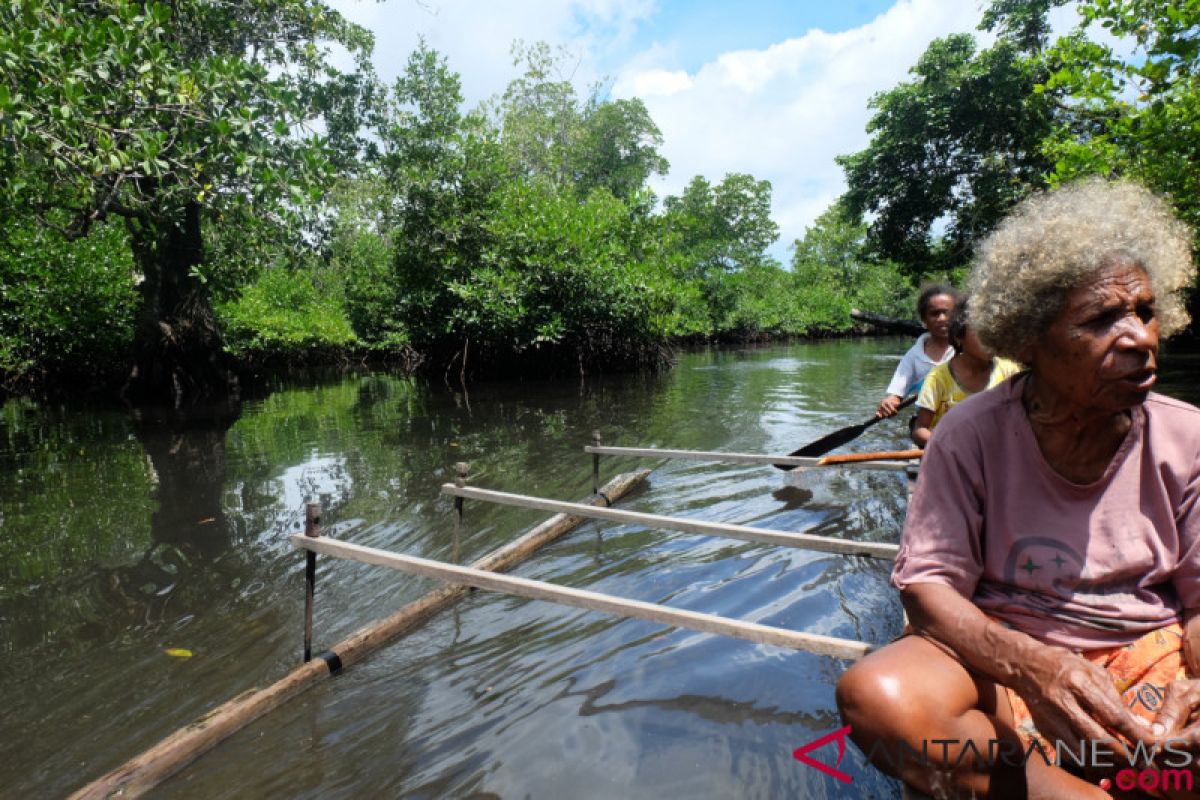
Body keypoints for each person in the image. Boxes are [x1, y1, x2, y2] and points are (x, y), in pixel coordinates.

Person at [836, 179, 1200, 799]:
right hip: (1003, 653)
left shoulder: (1188, 437)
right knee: (882, 700)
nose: (1140, 336)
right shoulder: (967, 434)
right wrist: (1036, 669)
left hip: (1148, 649)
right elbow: (928, 590)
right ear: (1031, 340)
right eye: (1102, 319)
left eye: (1144, 310)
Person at [910, 298, 1023, 447]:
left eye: (993, 331)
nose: (989, 339)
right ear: (958, 336)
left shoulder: (1011, 372)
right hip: (951, 454)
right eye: (980, 332)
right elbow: (920, 429)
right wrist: (947, 445)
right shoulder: (938, 378)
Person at [876, 286, 958, 419]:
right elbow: (896, 393)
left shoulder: (968, 348)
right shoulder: (914, 355)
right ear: (924, 319)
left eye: (947, 313)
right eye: (935, 313)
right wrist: (890, 402)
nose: (942, 318)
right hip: (928, 422)